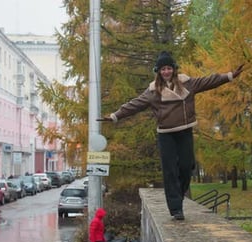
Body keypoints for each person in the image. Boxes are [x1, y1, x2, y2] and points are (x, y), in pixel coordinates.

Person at [97, 51, 244, 220]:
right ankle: (176, 209)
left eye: (168, 68)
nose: (166, 72)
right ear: (158, 72)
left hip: (185, 130)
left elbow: (209, 81)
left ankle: (178, 195)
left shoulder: (188, 84)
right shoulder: (153, 91)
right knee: (170, 171)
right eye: (162, 69)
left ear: (173, 69)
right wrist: (115, 116)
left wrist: (230, 76)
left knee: (186, 167)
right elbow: (135, 104)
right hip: (166, 134)